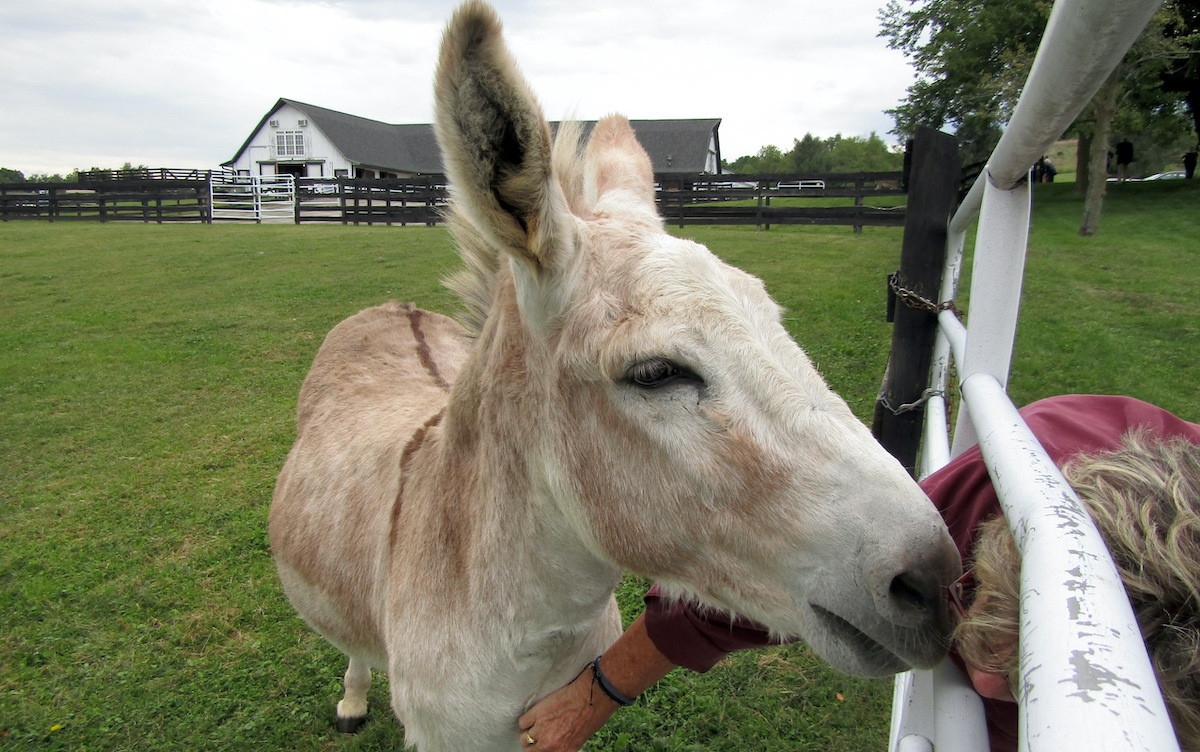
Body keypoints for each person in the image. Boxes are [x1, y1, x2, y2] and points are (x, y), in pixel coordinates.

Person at [518, 395, 1200, 752]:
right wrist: (596, 695)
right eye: (986, 603)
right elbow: (812, 571)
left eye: (1026, 675)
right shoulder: (1028, 475)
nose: (982, 679)